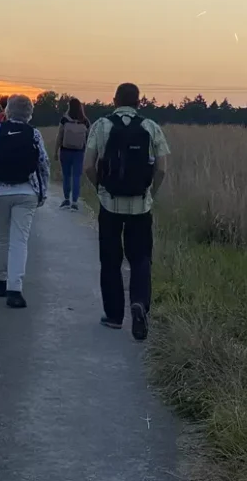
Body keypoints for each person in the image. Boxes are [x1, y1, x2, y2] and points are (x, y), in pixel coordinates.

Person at [84, 83, 170, 341]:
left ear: (114, 100)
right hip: (140, 205)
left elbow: (88, 165)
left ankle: (114, 316)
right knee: (141, 257)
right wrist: (151, 193)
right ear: (138, 102)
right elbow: (162, 169)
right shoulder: (151, 127)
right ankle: (139, 303)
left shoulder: (101, 125)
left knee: (110, 259)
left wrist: (100, 187)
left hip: (110, 203)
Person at [0, 95, 51, 308]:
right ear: (29, 114)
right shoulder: (34, 133)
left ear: (7, 111)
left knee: (2, 237)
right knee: (19, 240)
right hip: (27, 192)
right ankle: (15, 289)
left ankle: (1, 279)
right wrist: (43, 192)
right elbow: (43, 164)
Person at [54, 97, 91, 211]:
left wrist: (55, 151)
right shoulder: (85, 121)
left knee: (66, 176)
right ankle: (74, 202)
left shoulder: (64, 120)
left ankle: (66, 200)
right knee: (76, 177)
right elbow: (89, 138)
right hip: (79, 152)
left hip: (65, 151)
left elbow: (59, 136)